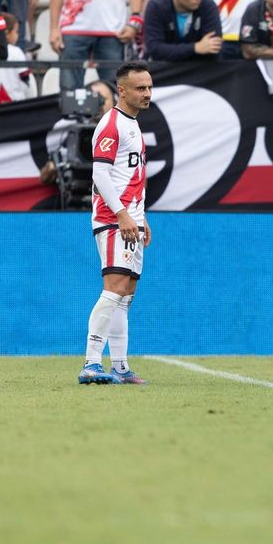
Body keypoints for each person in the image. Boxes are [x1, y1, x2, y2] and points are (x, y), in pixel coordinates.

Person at [77, 60, 154, 385]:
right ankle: (91, 363)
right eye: (140, 88)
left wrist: (141, 216)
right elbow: (101, 173)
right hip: (113, 220)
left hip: (131, 218)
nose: (147, 93)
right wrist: (122, 214)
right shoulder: (112, 124)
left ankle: (120, 366)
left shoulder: (133, 124)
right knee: (115, 287)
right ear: (121, 90)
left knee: (127, 293)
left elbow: (131, 175)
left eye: (149, 87)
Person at [141, 0, 222, 61]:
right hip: (163, 69)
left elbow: (213, 47)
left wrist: (174, 51)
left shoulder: (207, 4)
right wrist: (195, 48)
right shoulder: (156, 6)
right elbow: (155, 50)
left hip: (198, 68)